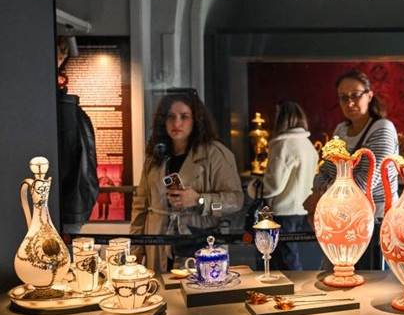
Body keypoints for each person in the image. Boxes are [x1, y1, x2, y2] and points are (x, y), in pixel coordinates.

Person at [129, 88, 244, 272]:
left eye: (184, 116)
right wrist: (136, 250)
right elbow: (140, 206)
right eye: (170, 116)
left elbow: (235, 201)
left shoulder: (216, 154)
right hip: (158, 243)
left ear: (196, 120)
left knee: (195, 294)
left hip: (198, 242)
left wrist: (200, 200)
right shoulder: (155, 156)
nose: (176, 123)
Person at [304, 70, 399, 270]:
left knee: (370, 282)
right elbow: (323, 173)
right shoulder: (341, 130)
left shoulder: (382, 128)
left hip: (375, 219)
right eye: (343, 98)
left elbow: (365, 182)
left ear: (369, 95)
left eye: (356, 95)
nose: (350, 102)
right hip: (342, 219)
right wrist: (324, 188)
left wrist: (322, 193)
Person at [247, 100, 319, 270]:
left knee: (281, 259)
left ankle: (286, 293)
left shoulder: (283, 145)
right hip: (302, 210)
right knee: (293, 256)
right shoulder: (308, 145)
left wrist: (254, 187)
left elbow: (274, 185)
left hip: (283, 211)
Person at [56, 36, 99, 237]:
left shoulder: (68, 109)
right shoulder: (68, 109)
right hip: (69, 208)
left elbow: (70, 164)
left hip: (67, 208)